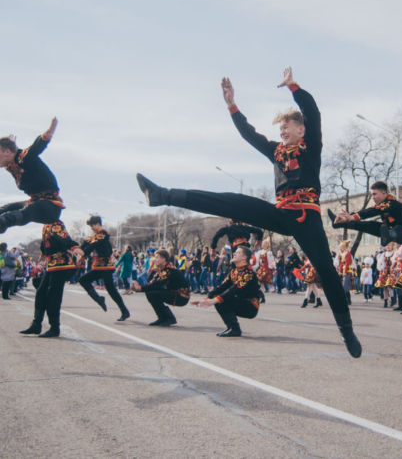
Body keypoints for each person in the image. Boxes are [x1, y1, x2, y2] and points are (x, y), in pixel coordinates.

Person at [136, 68, 361, 357]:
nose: (282, 132)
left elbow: (313, 112)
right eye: (280, 128)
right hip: (279, 213)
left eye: (287, 127)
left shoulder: (311, 147)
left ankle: (346, 332)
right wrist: (232, 105)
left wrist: (294, 87)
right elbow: (249, 134)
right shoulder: (276, 152)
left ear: (301, 130)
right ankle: (160, 195)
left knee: (327, 273)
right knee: (229, 201)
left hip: (307, 217)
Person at [20, 220, 84, 337]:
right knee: (41, 293)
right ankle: (36, 324)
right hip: (52, 265)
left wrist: (76, 249)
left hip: (62, 264)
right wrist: (42, 260)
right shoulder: (46, 225)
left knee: (53, 296)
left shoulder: (56, 224)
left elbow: (65, 240)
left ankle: (54, 328)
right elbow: (45, 246)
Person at [0, 118, 65, 233]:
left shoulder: (24, 157)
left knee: (26, 211)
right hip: (35, 201)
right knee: (6, 208)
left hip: (50, 207)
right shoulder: (11, 166)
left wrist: (48, 133)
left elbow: (36, 147)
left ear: (7, 152)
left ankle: (4, 221)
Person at [191, 246, 261, 337]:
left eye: (238, 253)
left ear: (244, 257)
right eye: (235, 252)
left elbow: (235, 290)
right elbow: (222, 287)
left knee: (220, 300)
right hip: (240, 301)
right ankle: (231, 328)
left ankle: (235, 329)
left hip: (250, 306)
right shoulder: (234, 271)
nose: (234, 254)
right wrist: (207, 298)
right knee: (218, 297)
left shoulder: (248, 272)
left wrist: (214, 300)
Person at [328, 181, 402, 247]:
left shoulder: (392, 203)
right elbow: (371, 211)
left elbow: (372, 211)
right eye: (372, 195)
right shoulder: (383, 205)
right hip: (389, 229)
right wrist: (347, 219)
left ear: (384, 192)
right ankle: (338, 223)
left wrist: (352, 217)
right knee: (367, 225)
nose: (373, 198)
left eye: (375, 194)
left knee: (396, 229)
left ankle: (389, 235)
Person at [78, 215, 130, 321]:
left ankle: (124, 311)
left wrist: (83, 255)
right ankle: (99, 299)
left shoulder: (103, 234)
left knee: (111, 289)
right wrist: (77, 250)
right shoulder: (95, 236)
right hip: (98, 266)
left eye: (92, 225)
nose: (91, 228)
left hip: (105, 266)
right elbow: (86, 243)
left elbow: (92, 245)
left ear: (98, 224)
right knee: (83, 280)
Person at [131, 249, 190, 326]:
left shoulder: (169, 270)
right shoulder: (162, 269)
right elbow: (152, 283)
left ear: (164, 259)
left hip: (182, 296)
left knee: (152, 294)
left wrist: (139, 288)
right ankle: (162, 318)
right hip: (174, 292)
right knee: (150, 293)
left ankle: (169, 318)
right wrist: (138, 286)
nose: (155, 260)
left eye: (157, 257)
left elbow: (156, 285)